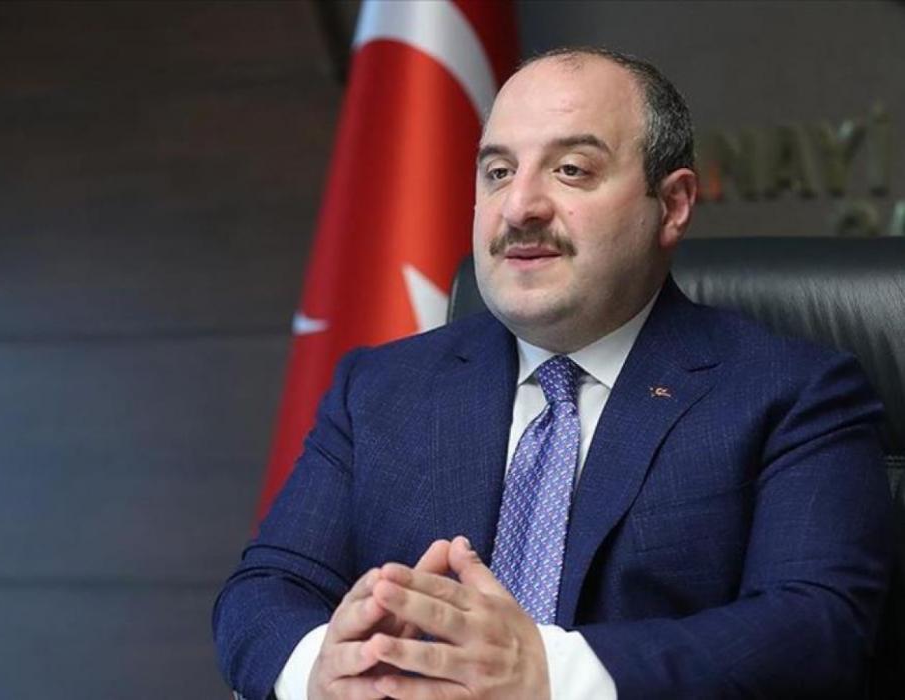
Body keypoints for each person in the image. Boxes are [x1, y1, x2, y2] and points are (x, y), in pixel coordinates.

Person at [213, 47, 893, 699]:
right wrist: (323, 669)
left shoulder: (793, 394)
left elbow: (817, 631)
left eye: (570, 170)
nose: (519, 207)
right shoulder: (380, 388)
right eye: (498, 171)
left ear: (673, 204)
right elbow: (266, 589)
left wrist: (544, 675)